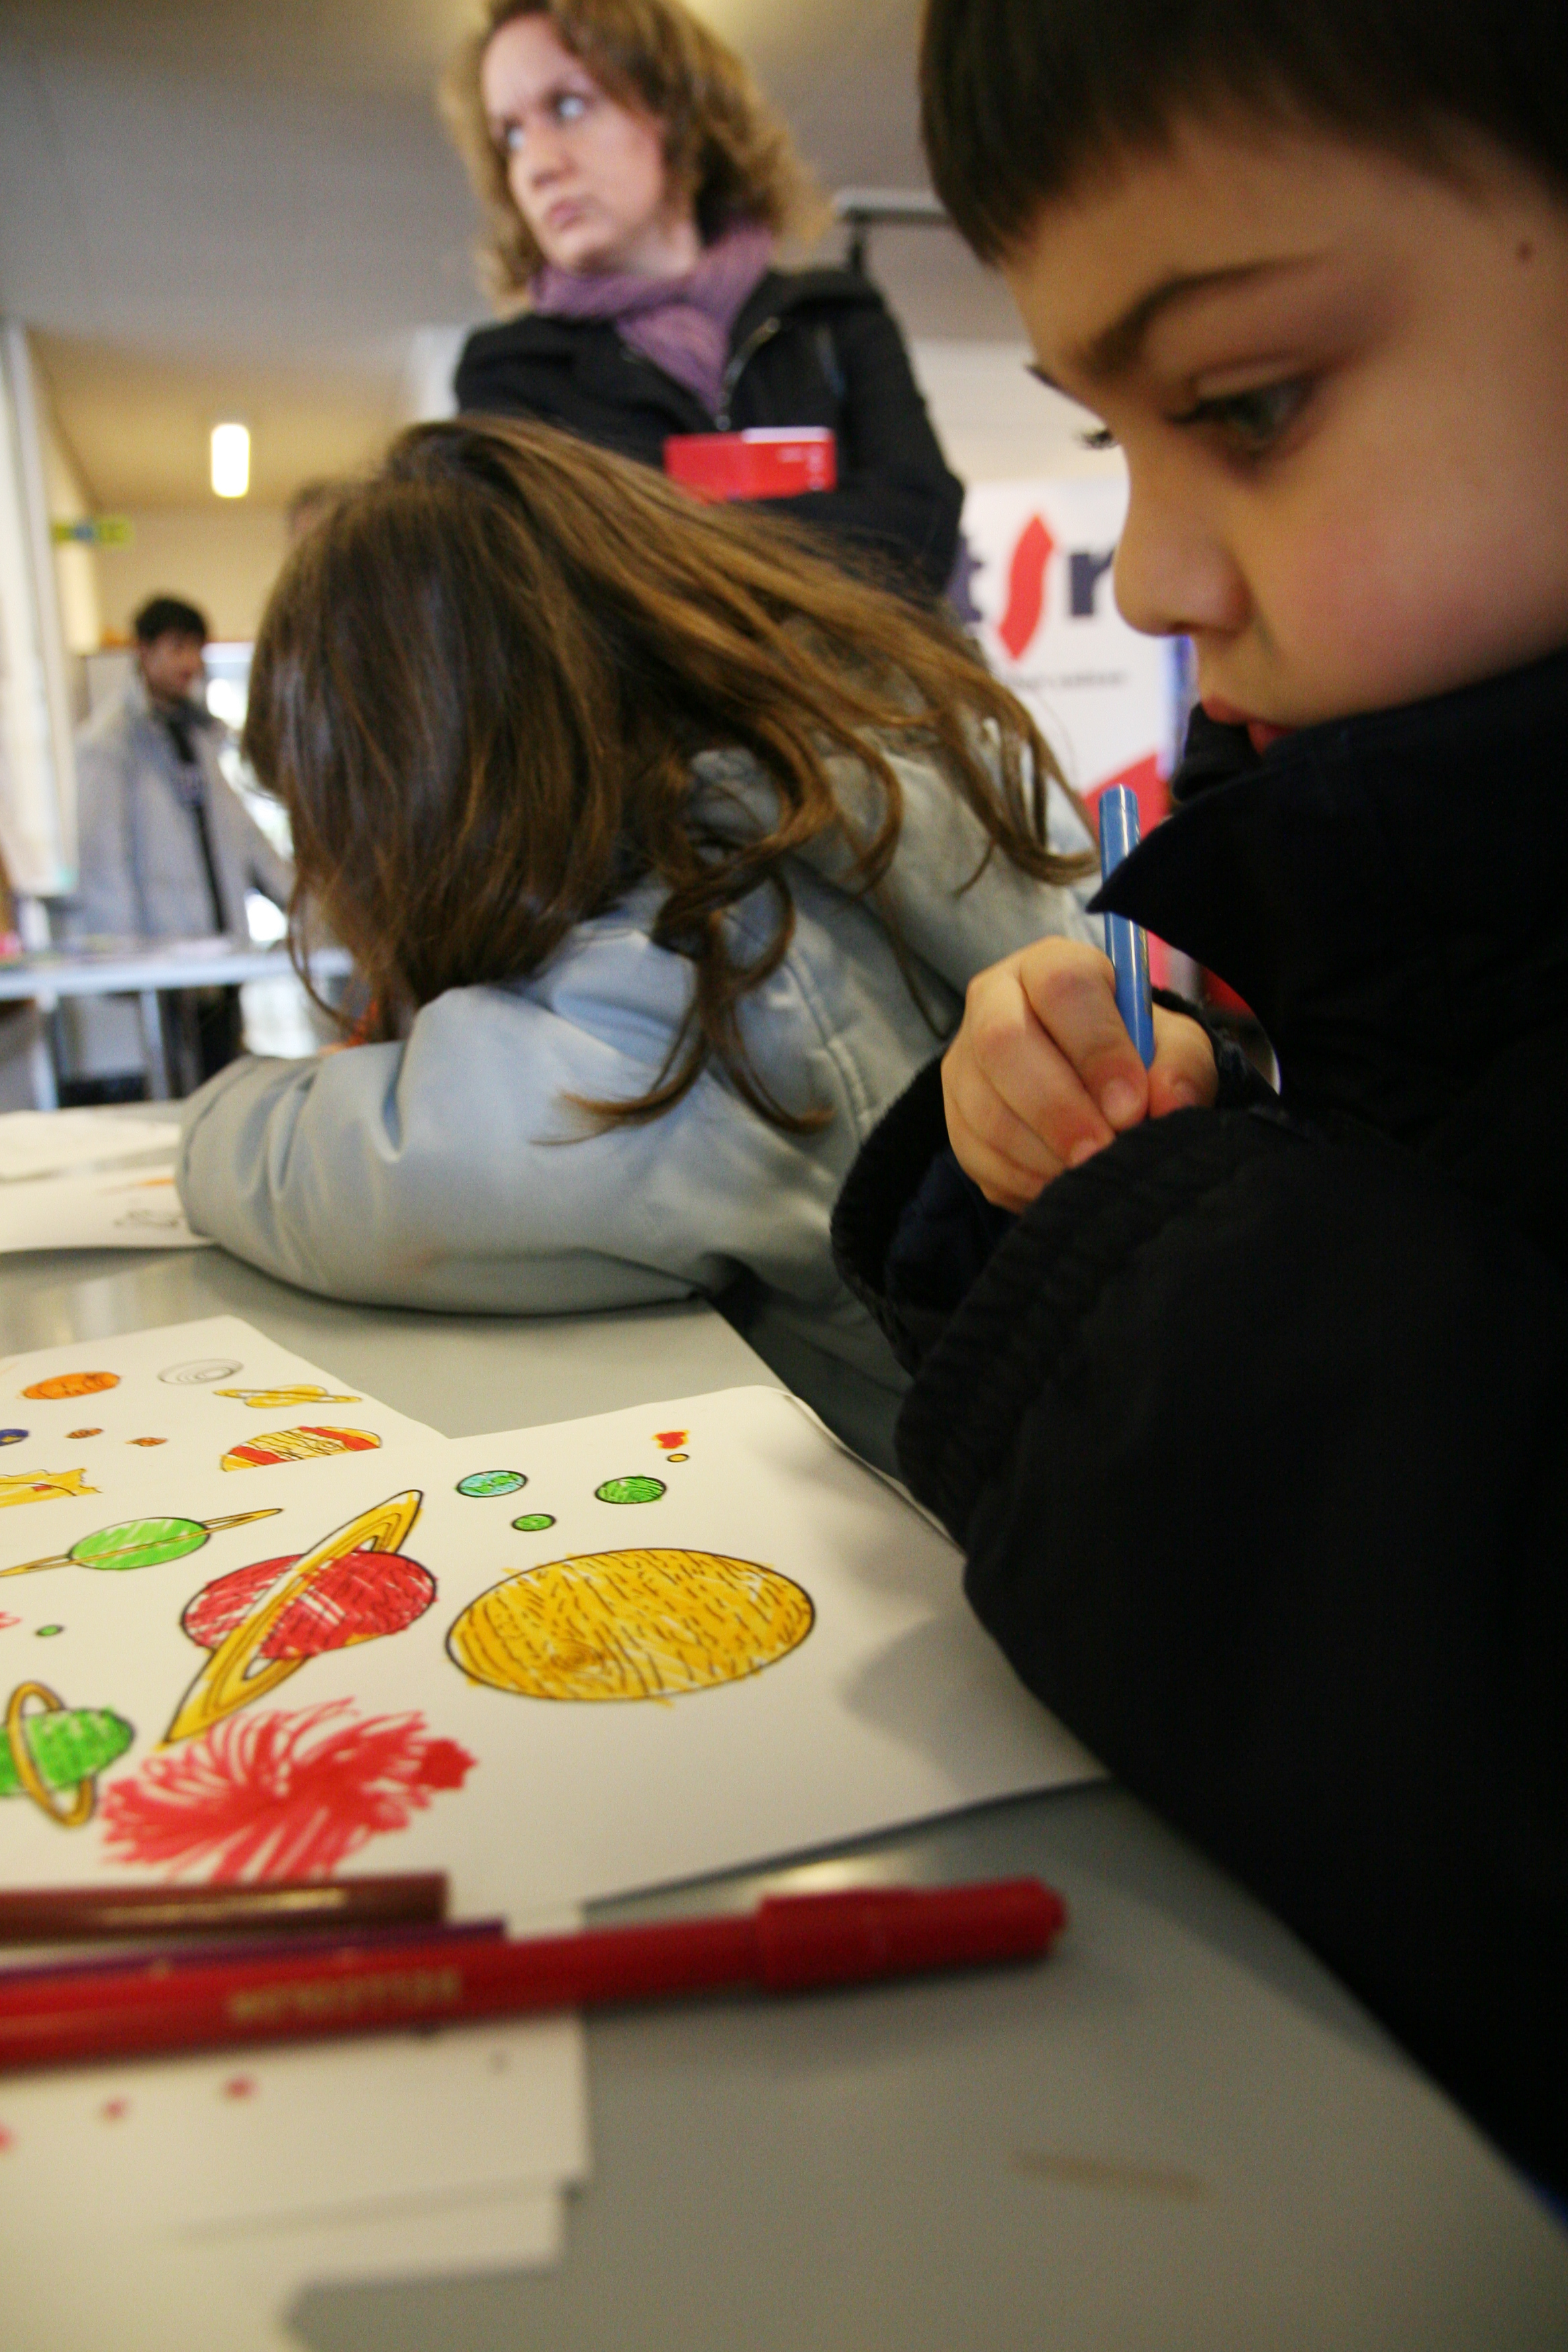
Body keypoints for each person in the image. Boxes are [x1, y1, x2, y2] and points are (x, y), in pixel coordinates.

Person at [831, 0, 1568, 2194]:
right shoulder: (1375, 852)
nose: (1149, 571)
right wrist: (1123, 1126)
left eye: (1245, 403)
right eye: (1112, 432)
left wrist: (1167, 1268)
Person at [174, 415, 1094, 1461]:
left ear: (423, 791)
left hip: (941, 1539)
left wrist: (198, 1125)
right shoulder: (865, 782)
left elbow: (393, 1171)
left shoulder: (724, 962)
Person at [442, 0, 964, 595]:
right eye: (510, 136)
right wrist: (814, 534)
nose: (537, 164)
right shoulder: (508, 373)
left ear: (673, 108)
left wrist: (660, 541)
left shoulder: (834, 318)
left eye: (568, 106)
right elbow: (548, 598)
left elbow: (921, 531)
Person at [66, 596, 293, 1097]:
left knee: (226, 1076)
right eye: (175, 648)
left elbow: (241, 835)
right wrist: (123, 958)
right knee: (180, 1084)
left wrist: (302, 904)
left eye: (196, 649)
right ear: (143, 652)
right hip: (163, 957)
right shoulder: (109, 743)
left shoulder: (200, 734)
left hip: (220, 947)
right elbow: (103, 859)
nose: (189, 663)